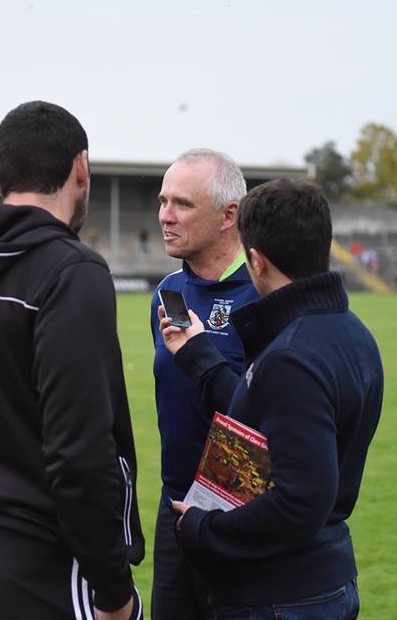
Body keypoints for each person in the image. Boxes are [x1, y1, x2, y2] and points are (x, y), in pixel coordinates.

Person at [0, 101, 144, 620]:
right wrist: (113, 592)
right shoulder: (70, 270)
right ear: (81, 168)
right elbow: (80, 450)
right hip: (41, 559)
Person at [159, 178, 383, 620]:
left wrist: (204, 528)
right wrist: (201, 358)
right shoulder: (352, 333)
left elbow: (302, 501)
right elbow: (263, 423)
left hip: (281, 592)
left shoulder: (291, 353)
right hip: (322, 576)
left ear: (256, 261)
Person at [151, 148, 258, 620]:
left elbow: (269, 410)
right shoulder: (168, 291)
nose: (165, 217)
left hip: (240, 515)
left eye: (182, 204)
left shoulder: (262, 293)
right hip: (172, 506)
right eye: (162, 201)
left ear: (228, 215)